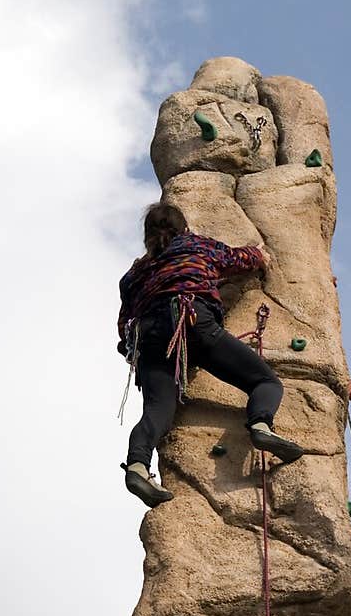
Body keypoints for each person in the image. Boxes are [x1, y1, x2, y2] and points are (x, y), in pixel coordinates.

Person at [118, 201, 303, 507]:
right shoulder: (195, 245)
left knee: (158, 411)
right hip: (191, 321)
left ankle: (137, 465)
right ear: (184, 228)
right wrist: (260, 254)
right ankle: (260, 425)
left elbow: (124, 325)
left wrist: (133, 350)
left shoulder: (133, 275)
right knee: (266, 382)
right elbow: (235, 258)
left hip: (148, 341)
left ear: (147, 236)